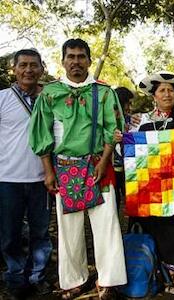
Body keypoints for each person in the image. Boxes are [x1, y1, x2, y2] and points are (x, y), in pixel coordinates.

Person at [29, 38, 127, 299]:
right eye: (70, 56)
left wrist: (104, 161)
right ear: (63, 61)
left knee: (107, 225)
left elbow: (113, 129)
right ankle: (74, 279)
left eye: (81, 56)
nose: (75, 61)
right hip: (64, 168)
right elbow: (42, 135)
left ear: (89, 60)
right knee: (68, 228)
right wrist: (48, 171)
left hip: (98, 166)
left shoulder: (104, 93)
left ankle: (109, 280)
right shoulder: (50, 94)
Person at [122, 71, 174, 289]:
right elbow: (130, 153)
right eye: (162, 90)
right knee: (157, 225)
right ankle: (160, 268)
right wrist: (124, 139)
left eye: (170, 90)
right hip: (152, 187)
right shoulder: (141, 121)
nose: (166, 94)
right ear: (154, 96)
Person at [0, 49, 52, 300]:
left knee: (41, 232)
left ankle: (37, 276)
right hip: (8, 178)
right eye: (23, 65)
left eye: (33, 65)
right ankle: (15, 278)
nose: (28, 70)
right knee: (10, 233)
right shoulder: (2, 98)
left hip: (43, 177)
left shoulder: (51, 98)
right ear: (14, 69)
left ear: (42, 68)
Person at [113, 87, 135, 212]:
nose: (129, 107)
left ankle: (133, 227)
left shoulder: (130, 120)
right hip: (111, 167)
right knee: (114, 199)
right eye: (128, 103)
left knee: (130, 196)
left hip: (128, 167)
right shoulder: (106, 120)